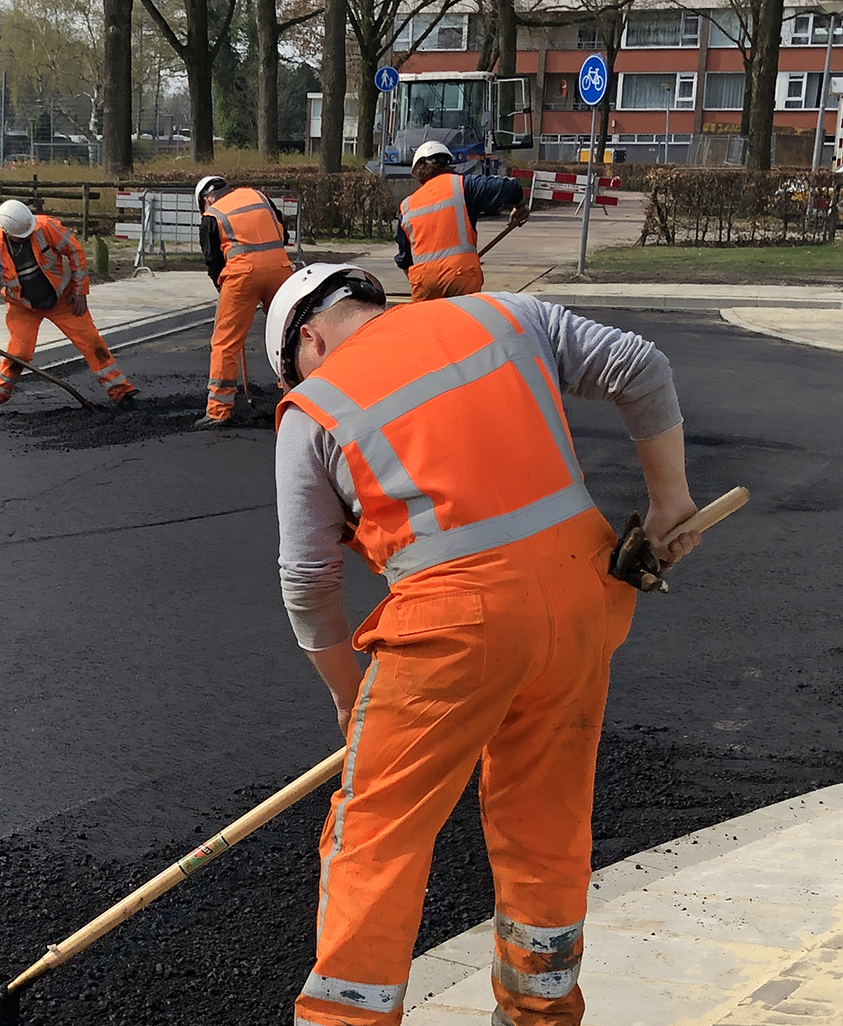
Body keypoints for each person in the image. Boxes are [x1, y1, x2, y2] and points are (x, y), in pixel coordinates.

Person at [264, 264, 704, 1026]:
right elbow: (642, 367)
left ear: (308, 338)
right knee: (545, 819)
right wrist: (671, 501)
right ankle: (540, 1013)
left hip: (454, 628)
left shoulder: (313, 410)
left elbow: (307, 583)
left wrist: (347, 696)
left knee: (377, 836)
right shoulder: (503, 315)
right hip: (583, 601)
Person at [0, 198, 139, 416]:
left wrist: (80, 291)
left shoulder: (45, 226)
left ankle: (121, 392)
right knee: (19, 353)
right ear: (6, 232)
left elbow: (75, 251)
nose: (27, 235)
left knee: (92, 343)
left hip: (63, 300)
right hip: (23, 307)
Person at [193, 175, 293, 429]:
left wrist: (222, 286)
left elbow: (213, 261)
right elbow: (283, 234)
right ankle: (293, 396)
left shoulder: (212, 215)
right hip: (280, 269)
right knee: (288, 334)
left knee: (225, 341)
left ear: (206, 199)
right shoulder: (259, 198)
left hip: (242, 276)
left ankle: (218, 410)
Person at [394, 140, 529, 301]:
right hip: (461, 277)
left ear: (417, 172)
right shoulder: (464, 186)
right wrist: (520, 206)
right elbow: (511, 187)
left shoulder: (407, 206)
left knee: (428, 326)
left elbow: (404, 260)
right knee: (464, 323)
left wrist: (427, 278)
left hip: (425, 283)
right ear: (448, 164)